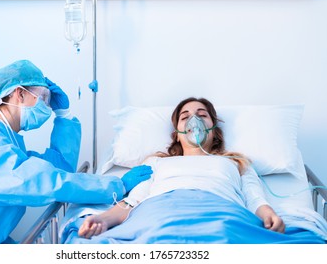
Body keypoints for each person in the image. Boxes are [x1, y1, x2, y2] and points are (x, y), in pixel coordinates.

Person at [0, 60, 152, 244]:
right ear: (19, 94)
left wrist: (64, 116)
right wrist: (117, 185)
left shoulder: (3, 138)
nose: (46, 106)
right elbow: (50, 181)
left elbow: (56, 167)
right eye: (43, 98)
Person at [76, 97, 286, 242]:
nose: (194, 120)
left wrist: (269, 214)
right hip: (160, 214)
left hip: (221, 215)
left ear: (215, 129)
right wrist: (102, 219)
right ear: (177, 133)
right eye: (185, 117)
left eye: (202, 115)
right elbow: (133, 201)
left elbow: (254, 198)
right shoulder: (157, 162)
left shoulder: (235, 162)